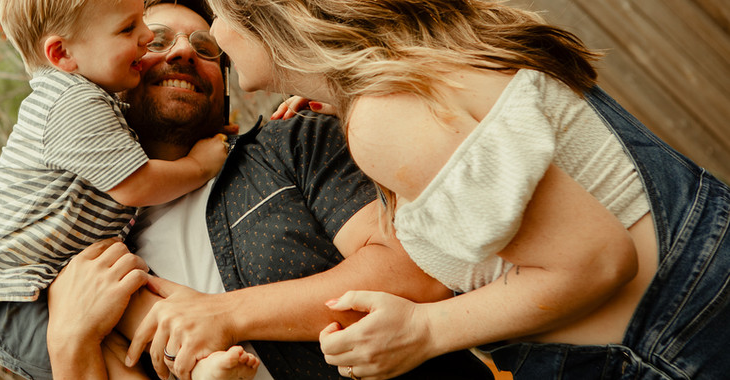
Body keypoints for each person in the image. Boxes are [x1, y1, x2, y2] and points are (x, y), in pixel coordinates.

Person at [0, 0, 495, 379]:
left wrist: (223, 315)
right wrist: (69, 343)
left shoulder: (291, 143)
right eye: (150, 40)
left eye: (207, 46)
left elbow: (413, 278)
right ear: (103, 82)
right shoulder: (81, 247)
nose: (180, 53)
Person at [203, 0, 730, 379]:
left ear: (262, 14)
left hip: (672, 344)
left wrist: (425, 330)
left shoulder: (385, 115)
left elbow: (595, 261)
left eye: (218, 13)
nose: (216, 31)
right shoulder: (425, 55)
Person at [0, 0, 254, 378]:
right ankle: (200, 365)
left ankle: (198, 363)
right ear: (63, 54)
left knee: (119, 321)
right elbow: (136, 185)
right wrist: (199, 165)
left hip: (41, 276)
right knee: (110, 354)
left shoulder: (89, 103)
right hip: (13, 285)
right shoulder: (71, 101)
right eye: (129, 30)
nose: (144, 37)